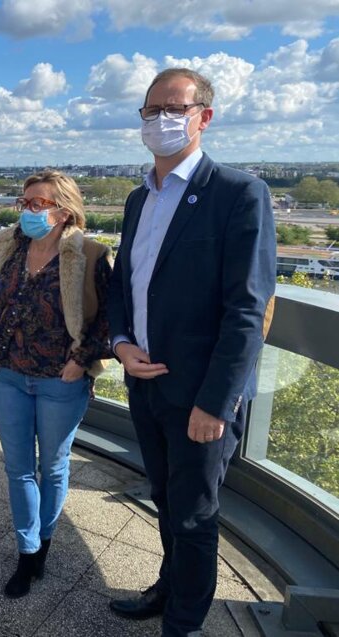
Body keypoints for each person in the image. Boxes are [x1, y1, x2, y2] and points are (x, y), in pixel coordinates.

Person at [106, 68, 276, 637]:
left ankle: (183, 623)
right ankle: (167, 586)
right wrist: (121, 342)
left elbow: (247, 311)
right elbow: (126, 285)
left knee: (196, 515)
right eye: (150, 112)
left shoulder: (238, 193)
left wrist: (216, 403)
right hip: (146, 382)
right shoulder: (137, 199)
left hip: (201, 397)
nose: (160, 121)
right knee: (163, 496)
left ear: (204, 116)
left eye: (173, 109)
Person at [0, 170, 112, 598]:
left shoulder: (89, 255)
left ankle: (45, 544)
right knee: (19, 469)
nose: (30, 211)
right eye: (26, 203)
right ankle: (27, 550)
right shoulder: (8, 248)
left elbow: (110, 319)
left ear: (64, 210)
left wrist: (81, 360)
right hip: (12, 376)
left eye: (40, 204)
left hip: (62, 379)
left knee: (52, 467)